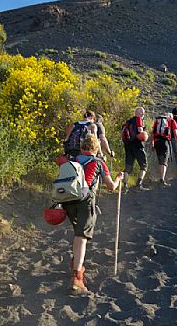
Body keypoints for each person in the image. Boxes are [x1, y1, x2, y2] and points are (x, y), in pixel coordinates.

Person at [62, 134, 123, 293]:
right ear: (96, 149)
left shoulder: (73, 160)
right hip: (86, 200)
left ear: (82, 147)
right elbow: (111, 187)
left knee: (77, 234)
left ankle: (76, 264)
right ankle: (77, 277)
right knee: (82, 237)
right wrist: (118, 178)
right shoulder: (98, 162)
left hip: (68, 200)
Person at [122, 107, 149, 193]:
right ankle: (139, 184)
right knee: (144, 165)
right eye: (143, 113)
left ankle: (125, 186)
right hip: (137, 145)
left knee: (128, 166)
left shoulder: (128, 121)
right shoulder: (138, 119)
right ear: (140, 113)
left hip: (128, 145)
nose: (143, 115)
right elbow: (140, 132)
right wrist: (145, 135)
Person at [151, 112, 177, 186]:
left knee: (160, 160)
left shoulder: (157, 121)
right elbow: (176, 135)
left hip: (157, 142)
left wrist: (152, 144)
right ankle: (162, 179)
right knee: (164, 161)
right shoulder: (172, 121)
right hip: (165, 142)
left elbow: (152, 133)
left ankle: (161, 177)